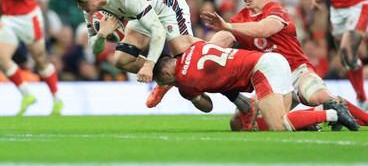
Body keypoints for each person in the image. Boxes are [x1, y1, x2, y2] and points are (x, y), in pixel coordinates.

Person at [201, 0, 364, 131]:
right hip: (271, 80)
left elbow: (263, 29)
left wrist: (228, 26)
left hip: (297, 70)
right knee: (239, 124)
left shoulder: (277, 10)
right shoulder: (240, 18)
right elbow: (220, 40)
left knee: (318, 97)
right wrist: (201, 55)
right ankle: (313, 117)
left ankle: (353, 115)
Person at [152, 38, 358, 131]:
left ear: (168, 72)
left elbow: (208, 107)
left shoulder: (185, 81)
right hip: (272, 62)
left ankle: (331, 113)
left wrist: (184, 91)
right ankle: (319, 112)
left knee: (278, 125)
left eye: (166, 82)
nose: (171, 84)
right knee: (251, 125)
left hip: (262, 71)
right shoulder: (194, 46)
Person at [69, 0, 196, 107]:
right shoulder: (89, 8)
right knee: (121, 60)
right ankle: (165, 81)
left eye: (81, 2)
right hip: (141, 12)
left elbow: (158, 31)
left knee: (187, 64)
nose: (79, 6)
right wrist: (101, 35)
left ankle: (218, 51)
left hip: (167, 5)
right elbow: (95, 49)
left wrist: (148, 66)